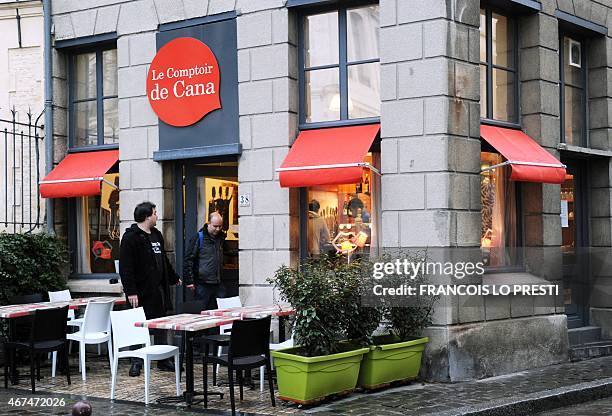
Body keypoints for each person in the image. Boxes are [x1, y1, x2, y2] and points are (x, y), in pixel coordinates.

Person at [119, 201, 181, 376]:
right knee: (139, 326)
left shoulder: (156, 235)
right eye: (154, 213)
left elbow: (163, 260)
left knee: (160, 324)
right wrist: (131, 291)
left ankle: (163, 360)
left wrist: (173, 277)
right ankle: (137, 361)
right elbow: (126, 268)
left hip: (158, 290)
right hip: (139, 292)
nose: (157, 215)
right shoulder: (131, 237)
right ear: (146, 216)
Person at [183, 212, 227, 309]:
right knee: (201, 313)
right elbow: (188, 259)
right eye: (215, 226)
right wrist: (190, 281)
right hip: (202, 284)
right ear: (208, 223)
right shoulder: (199, 237)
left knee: (222, 312)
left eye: (220, 226)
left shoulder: (221, 238)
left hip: (218, 282)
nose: (218, 229)